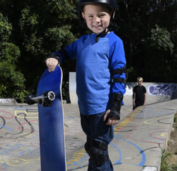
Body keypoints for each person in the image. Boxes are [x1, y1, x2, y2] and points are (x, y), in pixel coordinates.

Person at [45, 0, 127, 170]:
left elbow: (119, 76)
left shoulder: (114, 41)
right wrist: (55, 58)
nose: (96, 20)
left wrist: (115, 106)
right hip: (85, 108)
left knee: (98, 152)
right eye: (90, 15)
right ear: (83, 16)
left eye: (101, 15)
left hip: (102, 109)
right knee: (92, 149)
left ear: (111, 15)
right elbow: (64, 53)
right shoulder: (82, 42)